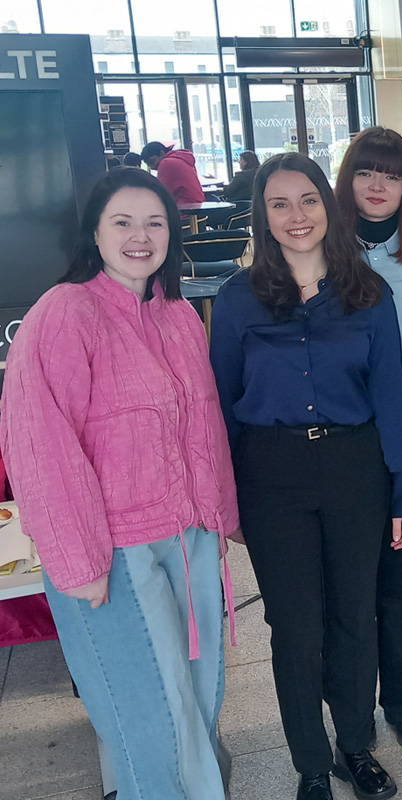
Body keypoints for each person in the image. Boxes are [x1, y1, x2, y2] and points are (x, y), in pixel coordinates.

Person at [0, 167, 237, 799]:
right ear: (94, 234)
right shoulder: (63, 314)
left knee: (197, 695)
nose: (141, 236)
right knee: (148, 716)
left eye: (155, 222)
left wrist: (222, 514)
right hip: (115, 549)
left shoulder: (178, 314)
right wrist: (78, 564)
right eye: (123, 222)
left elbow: (206, 424)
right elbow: (38, 447)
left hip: (190, 536)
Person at [209, 152, 402, 800]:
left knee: (354, 616)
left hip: (356, 468)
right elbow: (220, 405)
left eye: (307, 200)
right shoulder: (237, 299)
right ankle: (310, 764)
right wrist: (227, 500)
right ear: (262, 216)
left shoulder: (368, 293)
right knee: (295, 626)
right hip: (272, 473)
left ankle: (355, 746)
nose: (296, 216)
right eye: (279, 204)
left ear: (328, 207)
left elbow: (389, 397)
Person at [335, 125, 402, 755]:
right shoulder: (322, 244)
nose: (377, 185)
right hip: (339, 417)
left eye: (392, 174)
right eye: (366, 172)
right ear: (346, 180)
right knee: (347, 567)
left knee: (401, 561)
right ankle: (350, 709)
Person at [142, 141, 205, 205]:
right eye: (149, 165)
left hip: (184, 208)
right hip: (196, 205)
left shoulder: (166, 163)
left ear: (162, 153)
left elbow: (163, 193)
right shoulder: (181, 159)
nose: (152, 167)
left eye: (152, 161)